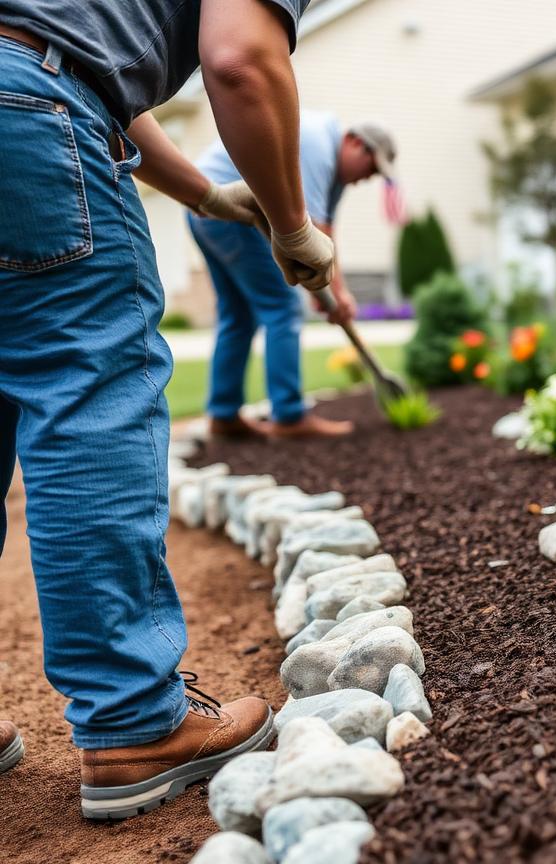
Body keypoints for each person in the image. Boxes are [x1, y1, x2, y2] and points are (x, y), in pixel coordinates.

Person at [0, 0, 334, 820]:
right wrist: (293, 225)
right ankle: (135, 723)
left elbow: (77, 58)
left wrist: (207, 194)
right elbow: (240, 60)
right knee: (90, 400)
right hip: (29, 121)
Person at [191, 114, 397, 439]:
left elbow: (325, 235)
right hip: (231, 204)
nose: (366, 178)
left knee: (237, 315)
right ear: (356, 142)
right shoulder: (318, 144)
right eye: (370, 168)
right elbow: (309, 229)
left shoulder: (333, 173)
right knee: (283, 306)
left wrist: (336, 294)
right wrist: (333, 294)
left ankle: (224, 414)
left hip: (202, 204)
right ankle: (289, 416)